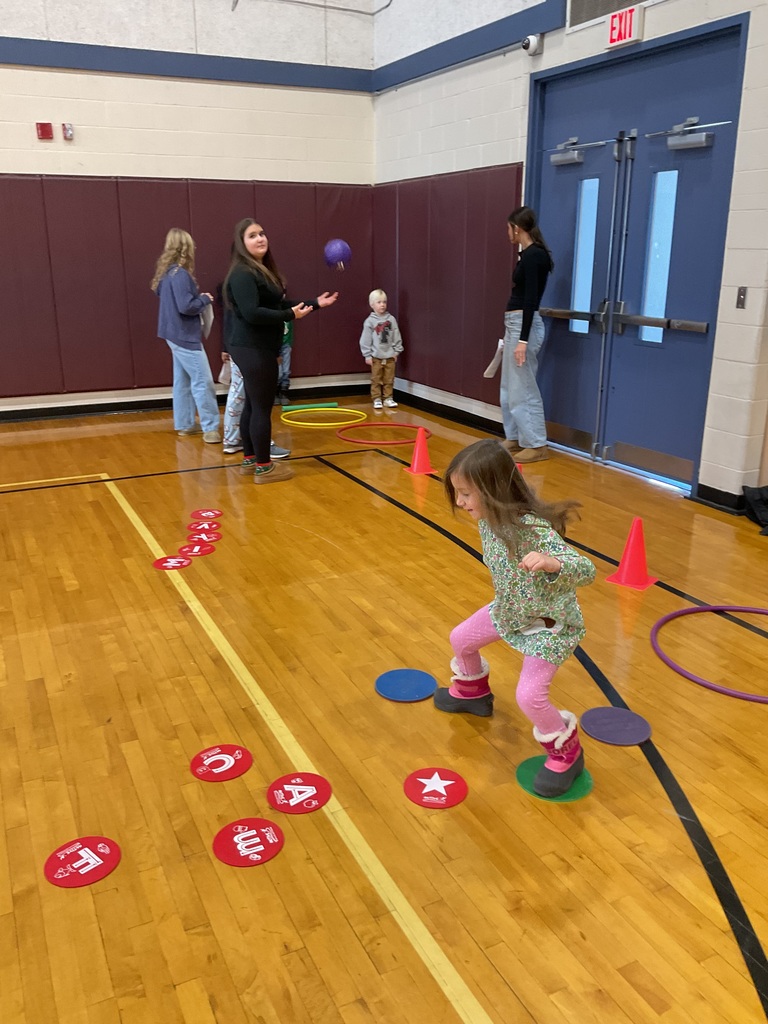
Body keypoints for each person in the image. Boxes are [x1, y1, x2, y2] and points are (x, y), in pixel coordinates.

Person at [435, 438, 596, 798]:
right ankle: (472, 693)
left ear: (492, 490)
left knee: (530, 696)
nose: (459, 503)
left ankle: (567, 755)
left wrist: (552, 563)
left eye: (465, 494)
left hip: (549, 625)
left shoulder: (533, 529)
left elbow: (586, 569)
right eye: (456, 493)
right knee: (461, 639)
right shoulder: (489, 521)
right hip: (511, 611)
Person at [223, 218, 338, 484]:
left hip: (255, 347)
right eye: (252, 235)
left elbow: (277, 303)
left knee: (253, 405)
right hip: (252, 347)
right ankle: (264, 467)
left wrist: (314, 303)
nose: (260, 238)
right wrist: (290, 315)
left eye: (262, 233)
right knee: (261, 408)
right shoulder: (242, 273)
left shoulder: (260, 271)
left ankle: (250, 461)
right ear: (242, 243)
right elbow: (252, 313)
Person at [151, 228, 221, 443]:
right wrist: (204, 300)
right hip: (184, 336)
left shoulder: (166, 274)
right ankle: (211, 428)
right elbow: (186, 306)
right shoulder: (180, 274)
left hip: (172, 333)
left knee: (182, 380)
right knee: (203, 380)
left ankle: (186, 424)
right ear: (186, 248)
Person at [501, 206, 553, 463]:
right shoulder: (526, 255)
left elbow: (531, 299)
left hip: (525, 325)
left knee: (524, 387)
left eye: (509, 228)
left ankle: (536, 443)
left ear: (517, 228)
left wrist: (522, 340)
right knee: (509, 386)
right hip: (514, 323)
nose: (507, 233)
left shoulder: (535, 256)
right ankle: (515, 436)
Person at [359, 289, 403, 410]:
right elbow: (365, 340)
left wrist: (396, 351)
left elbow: (396, 335)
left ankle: (388, 398)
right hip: (376, 357)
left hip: (390, 356)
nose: (382, 304)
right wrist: (367, 355)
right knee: (376, 378)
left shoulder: (391, 320)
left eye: (384, 302)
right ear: (372, 304)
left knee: (389, 378)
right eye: (379, 302)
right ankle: (377, 398)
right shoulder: (370, 322)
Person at [275, 320, 294, 406]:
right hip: (274, 345)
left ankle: (284, 393)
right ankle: (274, 393)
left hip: (286, 344)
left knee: (286, 371)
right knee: (278, 372)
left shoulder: (289, 314)